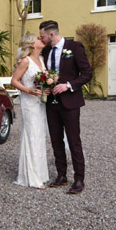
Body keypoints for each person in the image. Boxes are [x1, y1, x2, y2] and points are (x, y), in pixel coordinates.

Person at [39, 20, 92, 194]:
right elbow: (43, 74)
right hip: (51, 104)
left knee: (73, 140)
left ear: (51, 34)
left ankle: (79, 179)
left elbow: (87, 74)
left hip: (70, 103)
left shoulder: (74, 47)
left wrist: (68, 85)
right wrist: (45, 87)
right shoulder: (45, 51)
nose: (42, 39)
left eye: (43, 36)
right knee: (55, 140)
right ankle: (61, 175)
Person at [11, 33, 49, 189]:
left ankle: (40, 173)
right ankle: (31, 177)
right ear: (33, 45)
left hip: (41, 102)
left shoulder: (41, 59)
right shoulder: (25, 61)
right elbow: (14, 81)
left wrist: (47, 88)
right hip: (29, 103)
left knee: (40, 135)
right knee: (32, 135)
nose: (41, 40)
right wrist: (28, 90)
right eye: (38, 39)